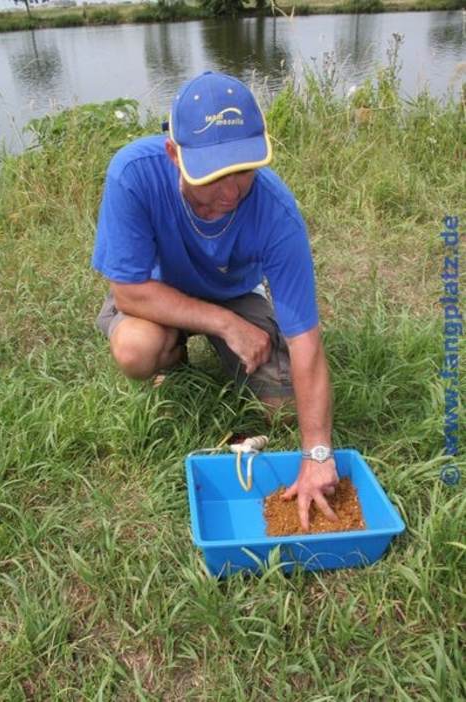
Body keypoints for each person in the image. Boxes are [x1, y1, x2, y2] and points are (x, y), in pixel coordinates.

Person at [92, 71, 339, 530]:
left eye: (242, 172)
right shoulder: (133, 173)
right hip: (154, 292)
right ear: (174, 155)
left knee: (283, 406)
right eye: (212, 176)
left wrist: (318, 453)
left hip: (234, 292)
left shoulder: (277, 213)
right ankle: (176, 354)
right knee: (136, 350)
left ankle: (218, 339)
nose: (229, 193)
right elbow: (128, 289)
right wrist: (224, 325)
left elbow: (306, 340)